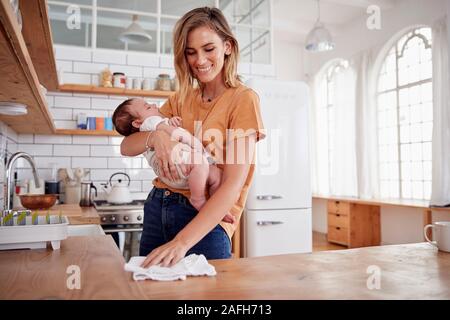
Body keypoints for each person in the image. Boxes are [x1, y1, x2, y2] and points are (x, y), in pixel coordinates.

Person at [120, 7, 265, 268]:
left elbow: (232, 185)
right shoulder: (180, 99)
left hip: (204, 220)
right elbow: (127, 145)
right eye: (190, 52)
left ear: (228, 46)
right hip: (157, 207)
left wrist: (182, 242)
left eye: (209, 49)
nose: (199, 60)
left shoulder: (243, 100)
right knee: (150, 293)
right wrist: (156, 138)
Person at [112, 97, 235, 221]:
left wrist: (171, 121)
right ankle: (198, 199)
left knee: (216, 174)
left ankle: (217, 207)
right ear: (137, 123)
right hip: (176, 167)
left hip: (178, 172)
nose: (154, 104)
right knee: (202, 164)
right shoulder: (150, 121)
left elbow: (164, 126)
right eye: (148, 107)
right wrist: (190, 141)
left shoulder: (154, 121)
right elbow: (174, 133)